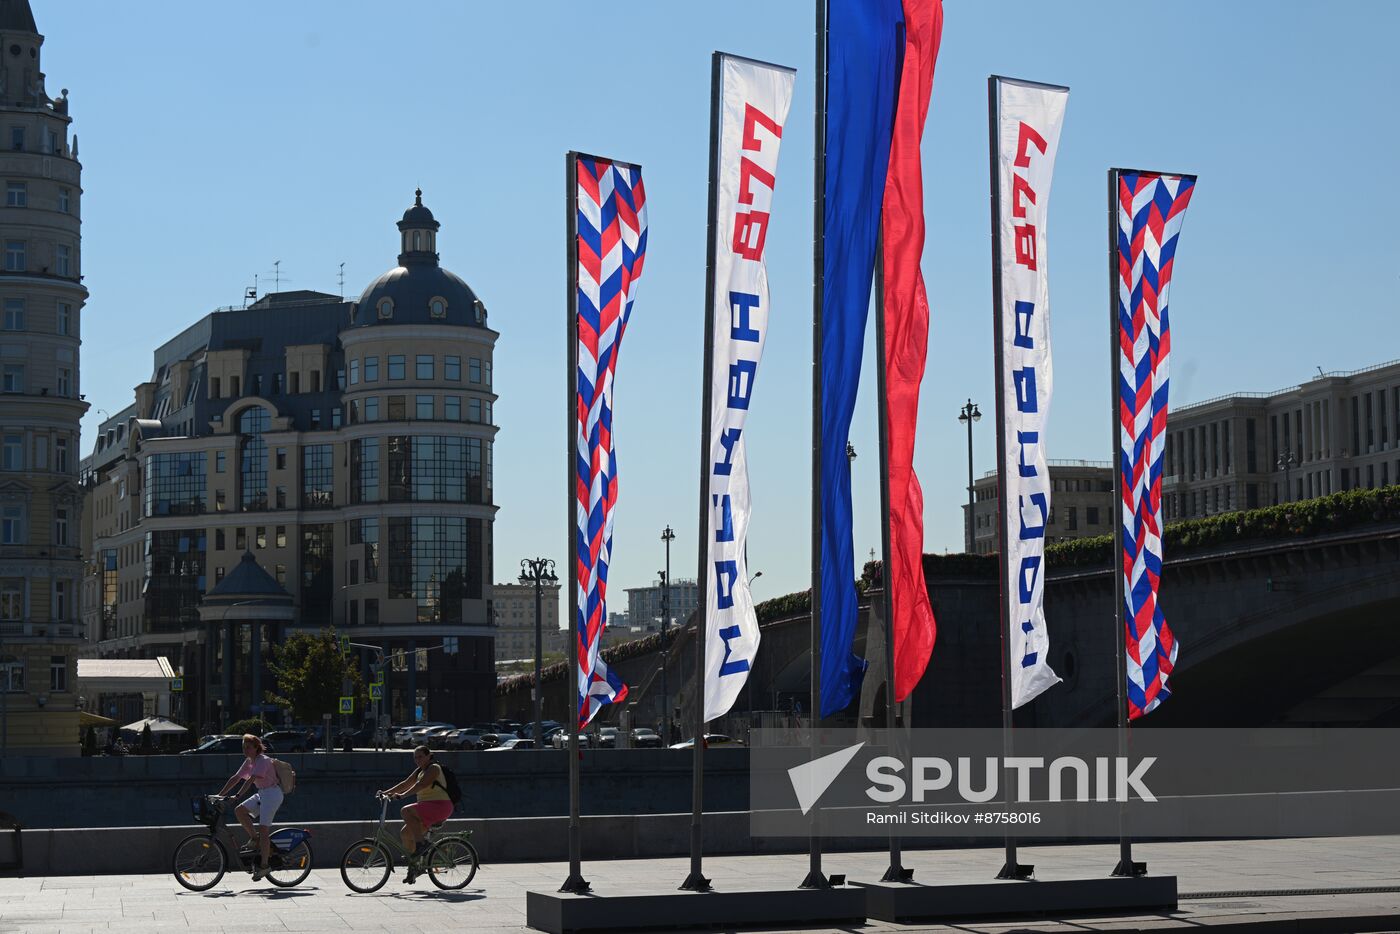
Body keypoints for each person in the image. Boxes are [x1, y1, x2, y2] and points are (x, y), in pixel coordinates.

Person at [379, 745, 453, 883]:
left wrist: (402, 796)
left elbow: (421, 785)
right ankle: (415, 867)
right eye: (415, 757)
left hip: (440, 805)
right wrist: (386, 793)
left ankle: (422, 844)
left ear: (429, 756)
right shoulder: (420, 770)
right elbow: (406, 783)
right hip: (427, 808)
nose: (417, 760)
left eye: (420, 757)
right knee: (405, 834)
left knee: (405, 810)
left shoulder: (434, 768)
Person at [216, 733, 282, 881]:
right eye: (244, 747)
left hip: (272, 794)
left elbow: (251, 780)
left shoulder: (263, 760)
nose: (245, 750)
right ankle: (254, 838)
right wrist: (219, 795)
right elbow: (236, 778)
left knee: (264, 829)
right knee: (240, 811)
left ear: (256, 748)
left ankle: (264, 866)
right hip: (262, 793)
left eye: (248, 747)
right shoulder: (249, 761)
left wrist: (237, 796)